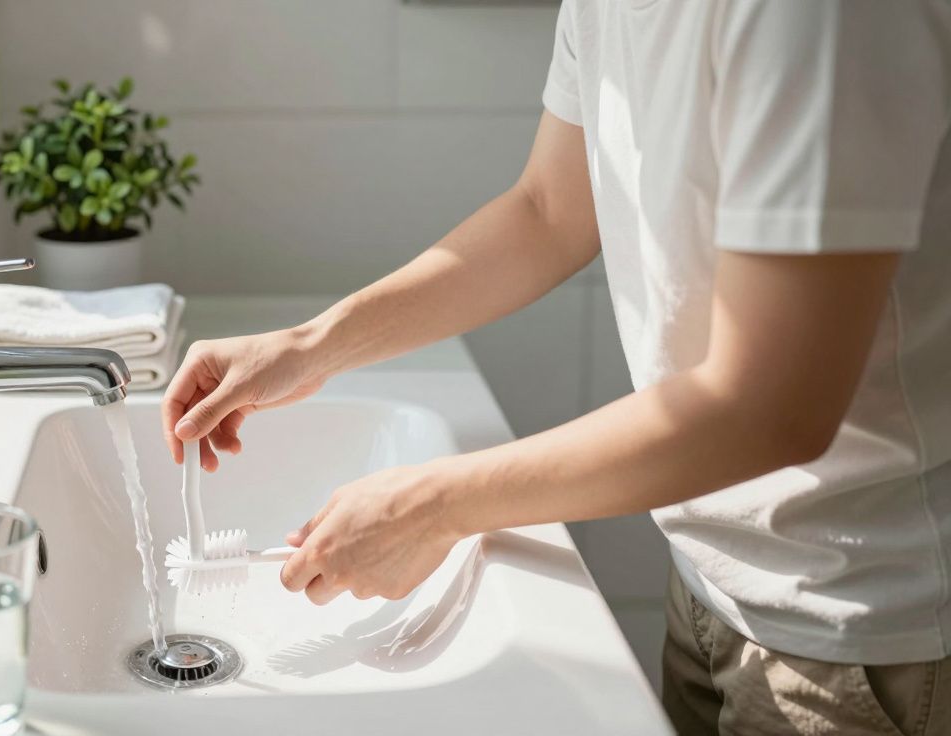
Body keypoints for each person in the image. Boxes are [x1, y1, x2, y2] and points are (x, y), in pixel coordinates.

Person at [161, 2, 951, 733]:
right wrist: (310, 346)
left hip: (861, 629)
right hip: (715, 581)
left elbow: (772, 405)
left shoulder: (818, 18)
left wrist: (436, 506)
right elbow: (547, 210)